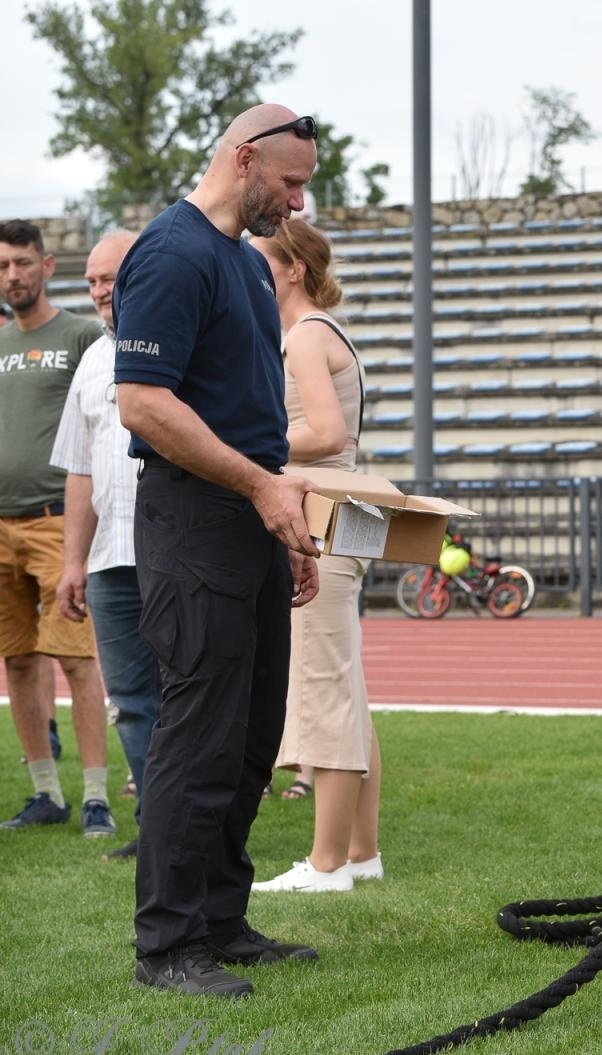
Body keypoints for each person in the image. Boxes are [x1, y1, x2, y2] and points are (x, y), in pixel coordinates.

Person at [114, 104, 324, 998]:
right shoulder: (171, 251)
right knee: (197, 737)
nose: (299, 200)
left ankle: (222, 922)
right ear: (244, 160)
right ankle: (167, 946)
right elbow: (145, 404)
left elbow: (250, 412)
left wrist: (284, 517)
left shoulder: (245, 262)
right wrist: (259, 487)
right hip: (194, 516)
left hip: (250, 520)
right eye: (290, 181)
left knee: (249, 737)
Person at [247, 218, 378, 893]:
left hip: (323, 517)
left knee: (326, 683)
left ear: (293, 268)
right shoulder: (327, 331)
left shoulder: (304, 335)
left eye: (260, 261)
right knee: (346, 684)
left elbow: (324, 433)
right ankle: (360, 852)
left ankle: (328, 866)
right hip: (343, 514)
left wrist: (248, 438)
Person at [0, 218, 111, 836]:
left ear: (47, 267)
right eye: (2, 266)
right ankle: (47, 793)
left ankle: (95, 795)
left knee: (75, 662)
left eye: (22, 262)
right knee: (17, 663)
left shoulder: (81, 335)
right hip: (0, 525)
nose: (11, 275)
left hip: (56, 521)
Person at [49, 228, 152, 859]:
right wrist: (71, 562)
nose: (99, 291)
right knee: (133, 701)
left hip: (174, 551)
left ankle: (194, 828)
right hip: (110, 559)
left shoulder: (184, 342)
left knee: (183, 694)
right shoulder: (91, 359)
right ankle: (159, 827)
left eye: (110, 277)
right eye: (90, 281)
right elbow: (80, 470)